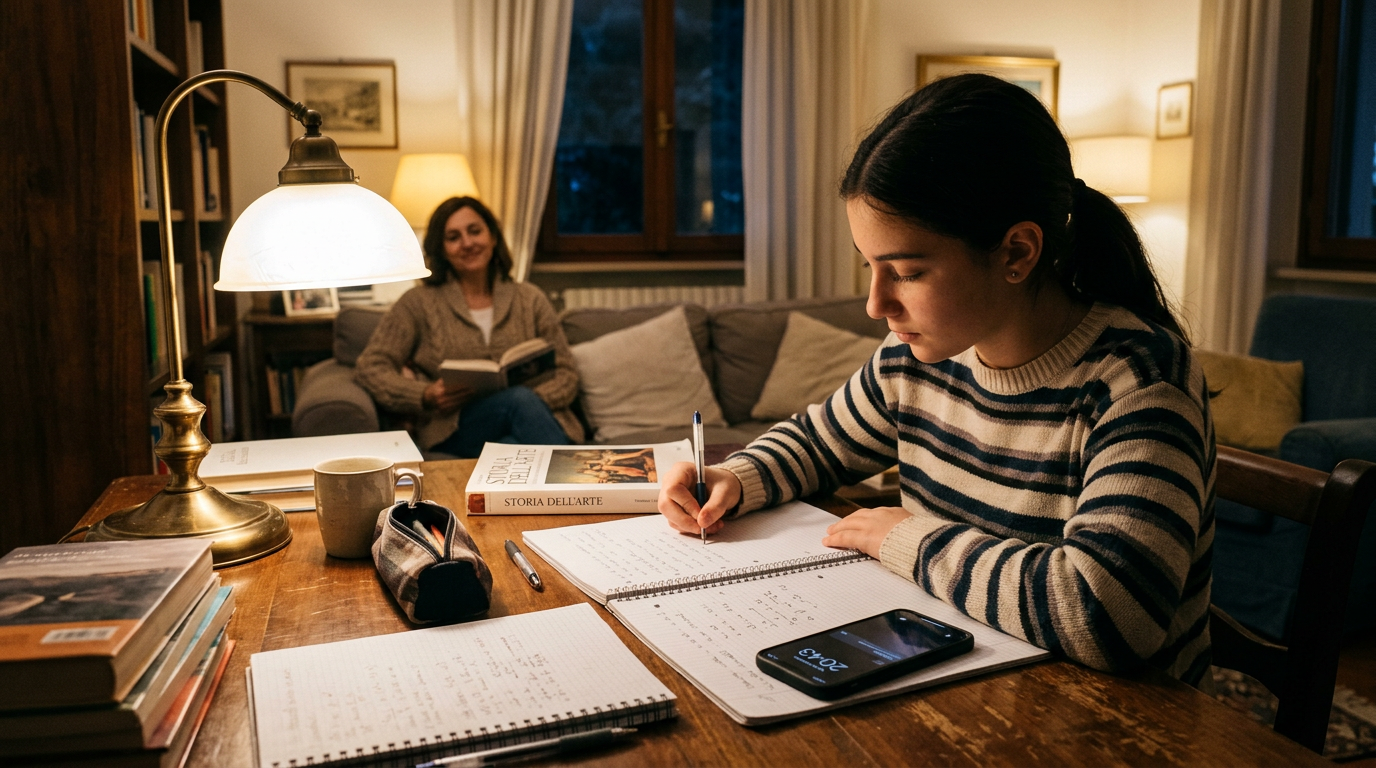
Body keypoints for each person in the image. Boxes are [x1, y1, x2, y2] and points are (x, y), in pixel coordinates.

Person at [657, 74, 1215, 687]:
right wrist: (734, 479)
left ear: (1016, 253)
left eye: (906, 272)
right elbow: (819, 443)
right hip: (968, 680)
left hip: (1120, 723)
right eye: (870, 266)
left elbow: (1105, 613)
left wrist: (907, 539)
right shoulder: (915, 359)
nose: (875, 304)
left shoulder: (1138, 381)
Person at [355, 196, 582, 456]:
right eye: (453, 237)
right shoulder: (418, 303)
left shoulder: (530, 298)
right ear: (441, 249)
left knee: (512, 444)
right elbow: (370, 368)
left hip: (530, 420)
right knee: (519, 402)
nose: (467, 243)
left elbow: (567, 373)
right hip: (459, 428)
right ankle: (578, 484)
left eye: (475, 231)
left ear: (493, 237)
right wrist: (425, 394)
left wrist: (531, 404)